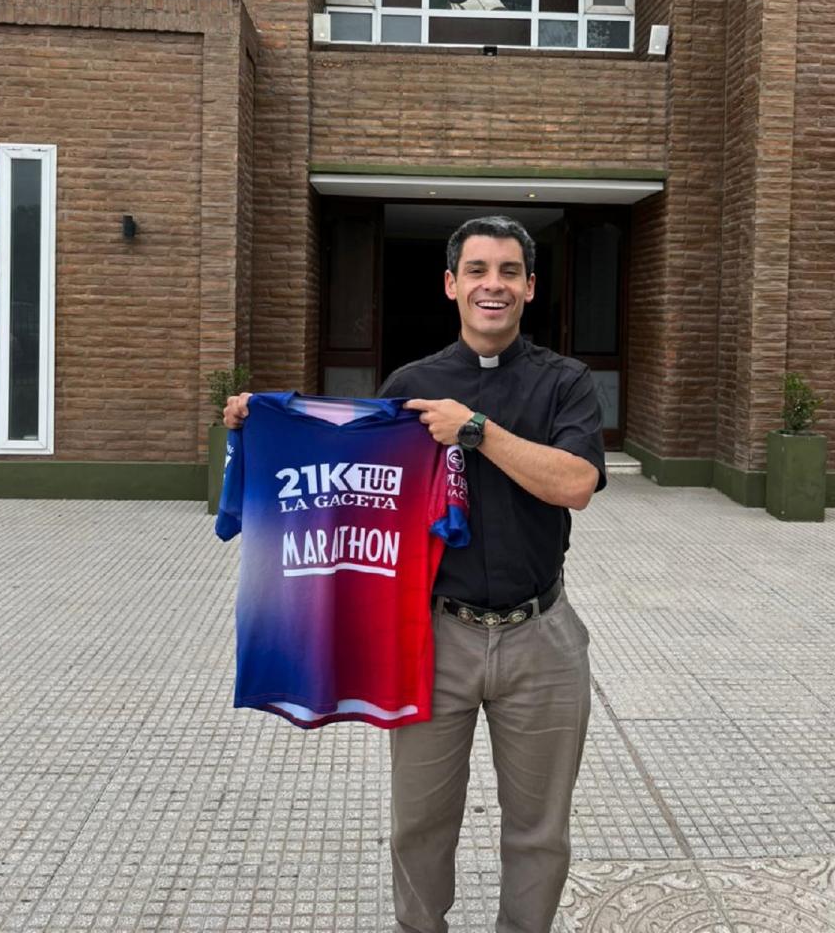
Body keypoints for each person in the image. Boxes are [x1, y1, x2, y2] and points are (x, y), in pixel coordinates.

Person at [223, 214, 606, 933]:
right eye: (478, 271)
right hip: (437, 636)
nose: (493, 285)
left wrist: (475, 430)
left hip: (542, 636)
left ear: (529, 287)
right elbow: (343, 461)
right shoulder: (412, 384)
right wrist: (264, 422)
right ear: (451, 284)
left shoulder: (567, 383)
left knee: (540, 831)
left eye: (509, 272)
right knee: (419, 825)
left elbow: (576, 482)